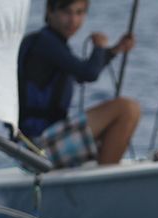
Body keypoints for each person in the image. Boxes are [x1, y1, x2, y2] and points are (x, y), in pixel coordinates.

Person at [18, 0, 140, 167]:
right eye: (66, 12)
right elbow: (88, 73)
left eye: (79, 13)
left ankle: (105, 175)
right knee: (127, 109)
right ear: (50, 11)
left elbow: (81, 74)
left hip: (41, 143)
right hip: (36, 147)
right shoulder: (45, 43)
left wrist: (114, 50)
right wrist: (99, 47)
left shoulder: (51, 43)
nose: (73, 20)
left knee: (114, 126)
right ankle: (106, 181)